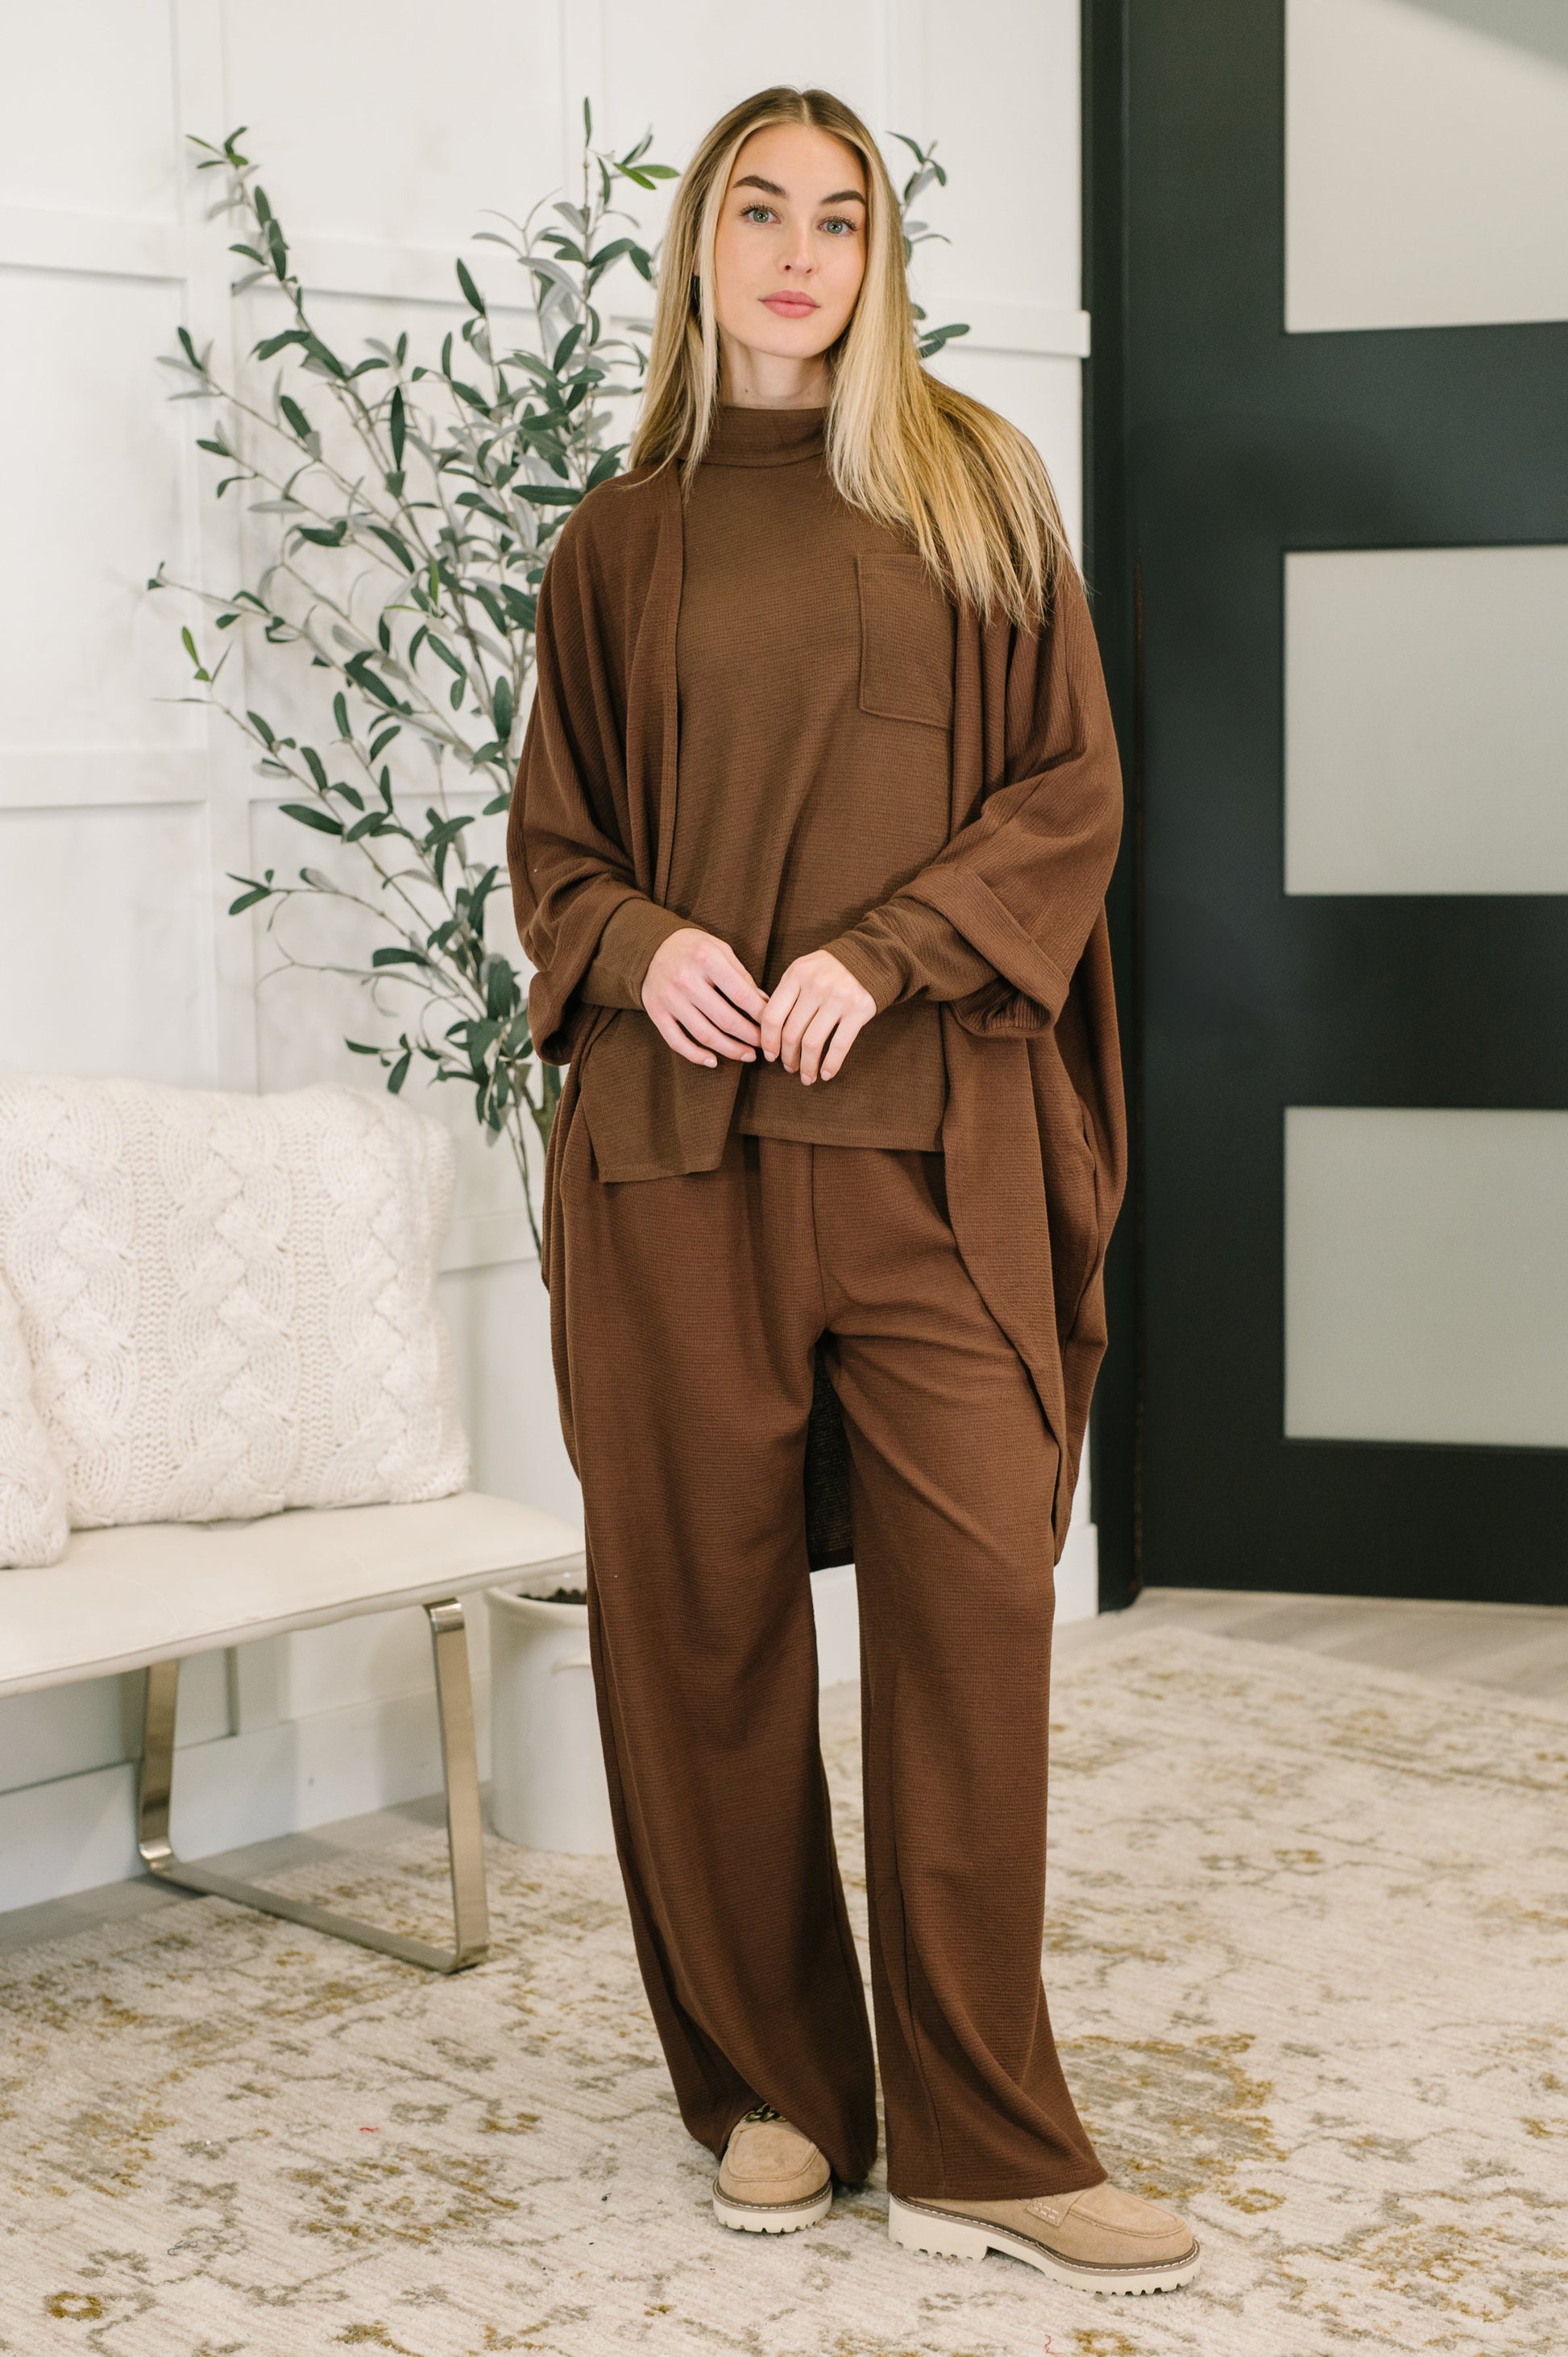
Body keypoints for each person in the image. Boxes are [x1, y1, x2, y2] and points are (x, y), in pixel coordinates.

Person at [507, 83, 1198, 2298]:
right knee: (697, 1632)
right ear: (700, 249)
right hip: (672, 1164)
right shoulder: (616, 545)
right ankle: (774, 2087)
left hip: (931, 1150)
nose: (800, 254)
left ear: (880, 256)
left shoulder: (977, 488)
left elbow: (1068, 794)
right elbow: (555, 853)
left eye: (839, 217)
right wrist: (647, 948)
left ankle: (988, 2138)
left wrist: (881, 955)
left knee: (974, 1617)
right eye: (758, 212)